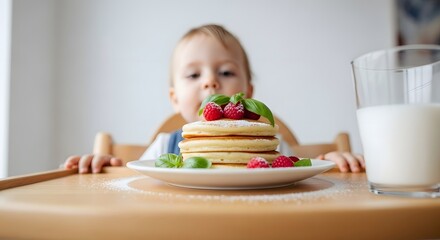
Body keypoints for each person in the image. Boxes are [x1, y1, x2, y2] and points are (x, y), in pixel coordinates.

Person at [64, 24, 365, 173]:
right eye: (193, 76)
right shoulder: (163, 147)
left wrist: (330, 162)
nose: (210, 81)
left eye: (225, 71)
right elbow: (134, 182)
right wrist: (107, 166)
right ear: (174, 98)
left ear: (248, 94)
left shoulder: (269, 144)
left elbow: (297, 169)